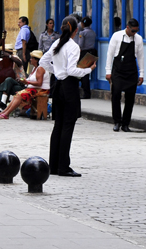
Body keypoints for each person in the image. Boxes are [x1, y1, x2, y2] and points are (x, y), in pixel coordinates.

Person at [39, 16, 96, 177]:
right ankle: (63, 166)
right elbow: (72, 70)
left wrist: (55, 71)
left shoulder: (56, 43)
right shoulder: (73, 47)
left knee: (58, 125)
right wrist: (88, 70)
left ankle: (54, 165)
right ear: (76, 31)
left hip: (58, 86)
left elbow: (43, 61)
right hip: (69, 87)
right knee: (67, 126)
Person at [105, 18, 144, 132]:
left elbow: (141, 57)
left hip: (131, 70)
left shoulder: (138, 39)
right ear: (127, 28)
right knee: (116, 94)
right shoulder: (116, 36)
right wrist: (108, 71)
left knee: (130, 98)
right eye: (133, 31)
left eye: (136, 31)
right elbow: (110, 54)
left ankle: (126, 123)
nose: (134, 33)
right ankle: (117, 121)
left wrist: (141, 73)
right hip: (118, 69)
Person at [0, 50, 50, 120]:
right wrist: (25, 81)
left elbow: (39, 83)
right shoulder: (35, 68)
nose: (30, 60)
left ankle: (6, 114)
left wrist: (27, 82)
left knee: (20, 95)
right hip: (33, 88)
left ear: (36, 60)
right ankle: (4, 112)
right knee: (17, 95)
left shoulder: (40, 68)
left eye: (32, 58)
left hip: (40, 90)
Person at [78, 16, 97, 99]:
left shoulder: (82, 33)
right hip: (92, 52)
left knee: (83, 73)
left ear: (82, 24)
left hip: (84, 53)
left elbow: (80, 45)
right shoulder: (93, 32)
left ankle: (86, 93)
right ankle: (86, 91)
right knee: (88, 72)